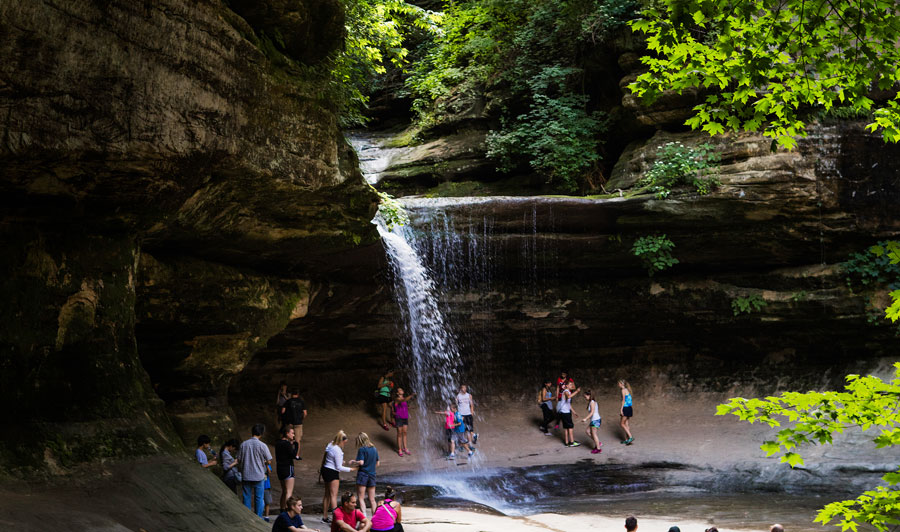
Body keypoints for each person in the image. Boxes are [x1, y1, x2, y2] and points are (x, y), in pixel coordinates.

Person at [321, 430, 359, 523]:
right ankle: (336, 519)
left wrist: (340, 462)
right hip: (332, 472)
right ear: (341, 440)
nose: (344, 444)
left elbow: (330, 458)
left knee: (327, 494)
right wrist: (352, 469)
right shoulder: (338, 450)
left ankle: (325, 516)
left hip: (325, 469)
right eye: (344, 442)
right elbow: (339, 467)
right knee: (333, 495)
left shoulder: (330, 445)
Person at [238, 423, 273, 518]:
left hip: (246, 474)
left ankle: (247, 517)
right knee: (259, 498)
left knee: (246, 497)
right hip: (259, 476)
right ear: (261, 433)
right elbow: (269, 460)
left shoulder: (243, 444)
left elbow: (239, 459)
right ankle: (258, 518)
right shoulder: (262, 445)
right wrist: (264, 462)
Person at [355, 432, 380, 517]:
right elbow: (378, 463)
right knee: (372, 499)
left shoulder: (362, 449)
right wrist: (371, 467)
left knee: (361, 497)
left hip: (363, 474)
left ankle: (364, 517)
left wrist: (353, 462)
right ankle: (375, 518)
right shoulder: (374, 449)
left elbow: (361, 462)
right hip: (372, 475)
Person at [276, 426, 300, 513]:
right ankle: (287, 512)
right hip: (287, 468)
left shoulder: (278, 443)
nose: (293, 435)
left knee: (284, 491)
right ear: (287, 433)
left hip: (279, 468)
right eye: (292, 433)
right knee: (289, 492)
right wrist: (296, 445)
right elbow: (293, 455)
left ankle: (282, 510)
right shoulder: (287, 444)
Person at [281, 388, 307, 459]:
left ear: (292, 394)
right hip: (298, 423)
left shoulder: (288, 401)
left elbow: (283, 411)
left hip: (290, 423)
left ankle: (288, 453)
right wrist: (301, 419)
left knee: (289, 439)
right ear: (298, 394)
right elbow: (305, 413)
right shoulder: (301, 402)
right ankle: (296, 455)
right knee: (297, 440)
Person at [392, 388, 416, 456]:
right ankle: (400, 449)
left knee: (405, 433)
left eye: (402, 389)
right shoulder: (397, 399)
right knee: (399, 433)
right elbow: (403, 400)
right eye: (399, 390)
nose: (402, 390)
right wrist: (411, 395)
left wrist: (409, 407)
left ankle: (405, 448)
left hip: (405, 417)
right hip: (399, 418)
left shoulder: (404, 399)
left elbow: (404, 406)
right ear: (397, 393)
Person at [559, 381, 581, 447]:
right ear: (567, 386)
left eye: (572, 384)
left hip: (565, 412)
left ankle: (566, 443)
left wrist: (574, 412)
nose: (571, 386)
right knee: (570, 427)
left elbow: (568, 404)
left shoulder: (568, 391)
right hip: (565, 413)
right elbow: (568, 397)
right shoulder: (566, 391)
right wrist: (577, 391)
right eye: (570, 384)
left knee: (566, 428)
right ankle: (572, 442)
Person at [581, 389, 602, 454]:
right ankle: (598, 442)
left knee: (594, 434)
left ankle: (598, 448)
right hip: (594, 420)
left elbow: (592, 412)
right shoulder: (591, 402)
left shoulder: (592, 402)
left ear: (589, 395)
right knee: (587, 431)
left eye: (586, 396)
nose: (585, 398)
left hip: (595, 420)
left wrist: (585, 419)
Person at [618, 379, 634, 445]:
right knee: (626, 423)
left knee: (622, 424)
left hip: (626, 408)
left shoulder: (623, 390)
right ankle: (626, 439)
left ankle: (630, 437)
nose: (618, 385)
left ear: (622, 384)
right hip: (629, 408)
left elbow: (623, 401)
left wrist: (621, 409)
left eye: (619, 383)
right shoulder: (627, 390)